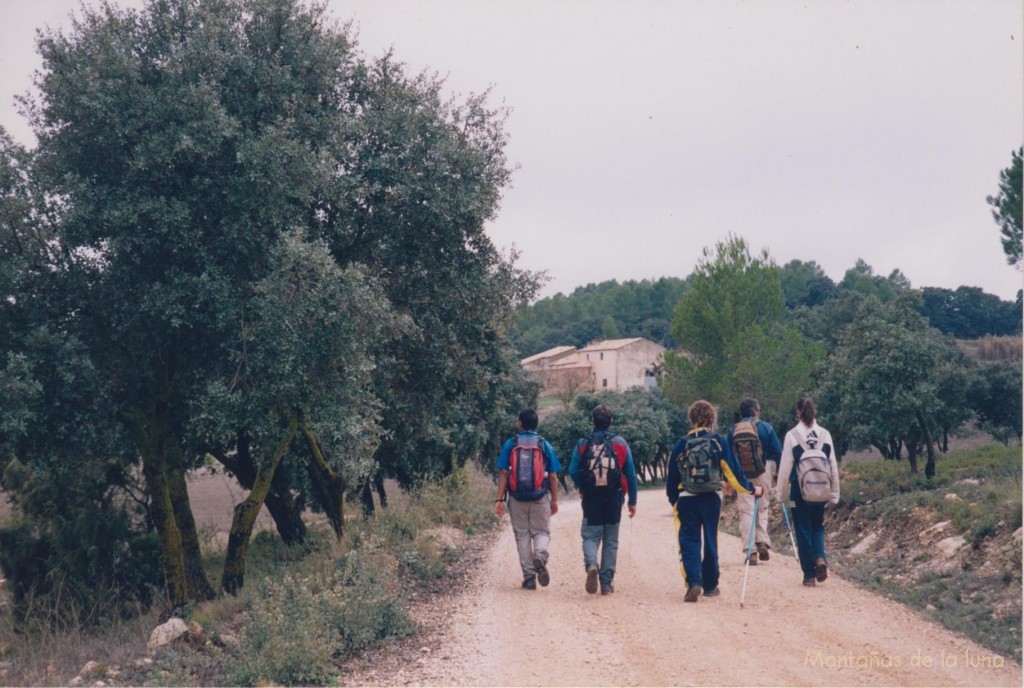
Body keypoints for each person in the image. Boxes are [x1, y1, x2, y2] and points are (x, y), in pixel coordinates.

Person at [666, 400, 764, 602]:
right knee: (711, 540)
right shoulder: (718, 441)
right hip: (711, 498)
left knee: (689, 541)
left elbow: (672, 476)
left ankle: (694, 583)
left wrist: (674, 499)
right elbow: (733, 474)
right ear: (712, 418)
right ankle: (711, 585)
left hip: (686, 498)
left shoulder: (681, 443)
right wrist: (752, 489)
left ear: (691, 418)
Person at [569, 404, 638, 595]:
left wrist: (583, 486)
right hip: (614, 497)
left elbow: (573, 471)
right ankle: (606, 583)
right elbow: (630, 475)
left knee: (591, 535)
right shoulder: (621, 443)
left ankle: (592, 563)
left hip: (591, 497)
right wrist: (632, 501)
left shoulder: (583, 444)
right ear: (611, 421)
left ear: (592, 421)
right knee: (610, 540)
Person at [775, 397, 840, 587]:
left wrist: (780, 494)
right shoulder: (825, 434)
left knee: (802, 529)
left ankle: (809, 575)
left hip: (799, 492)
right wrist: (834, 494)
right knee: (818, 526)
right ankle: (820, 557)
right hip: (821, 490)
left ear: (798, 412)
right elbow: (833, 466)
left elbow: (785, 467)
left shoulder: (792, 435)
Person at [495, 409, 560, 590]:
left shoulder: (511, 444)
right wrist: (554, 499)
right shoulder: (544, 445)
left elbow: (503, 472)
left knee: (522, 535)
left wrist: (499, 500)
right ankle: (540, 555)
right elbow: (553, 476)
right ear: (536, 425)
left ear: (520, 424)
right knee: (541, 532)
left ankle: (529, 578)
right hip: (540, 496)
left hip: (516, 498)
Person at [726, 397, 782, 565]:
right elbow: (778, 452)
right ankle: (762, 541)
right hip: (764, 471)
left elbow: (728, 456)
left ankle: (750, 551)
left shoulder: (732, 430)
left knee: (746, 511)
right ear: (756, 411)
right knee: (762, 507)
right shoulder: (766, 427)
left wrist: (728, 479)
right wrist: (777, 471)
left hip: (742, 475)